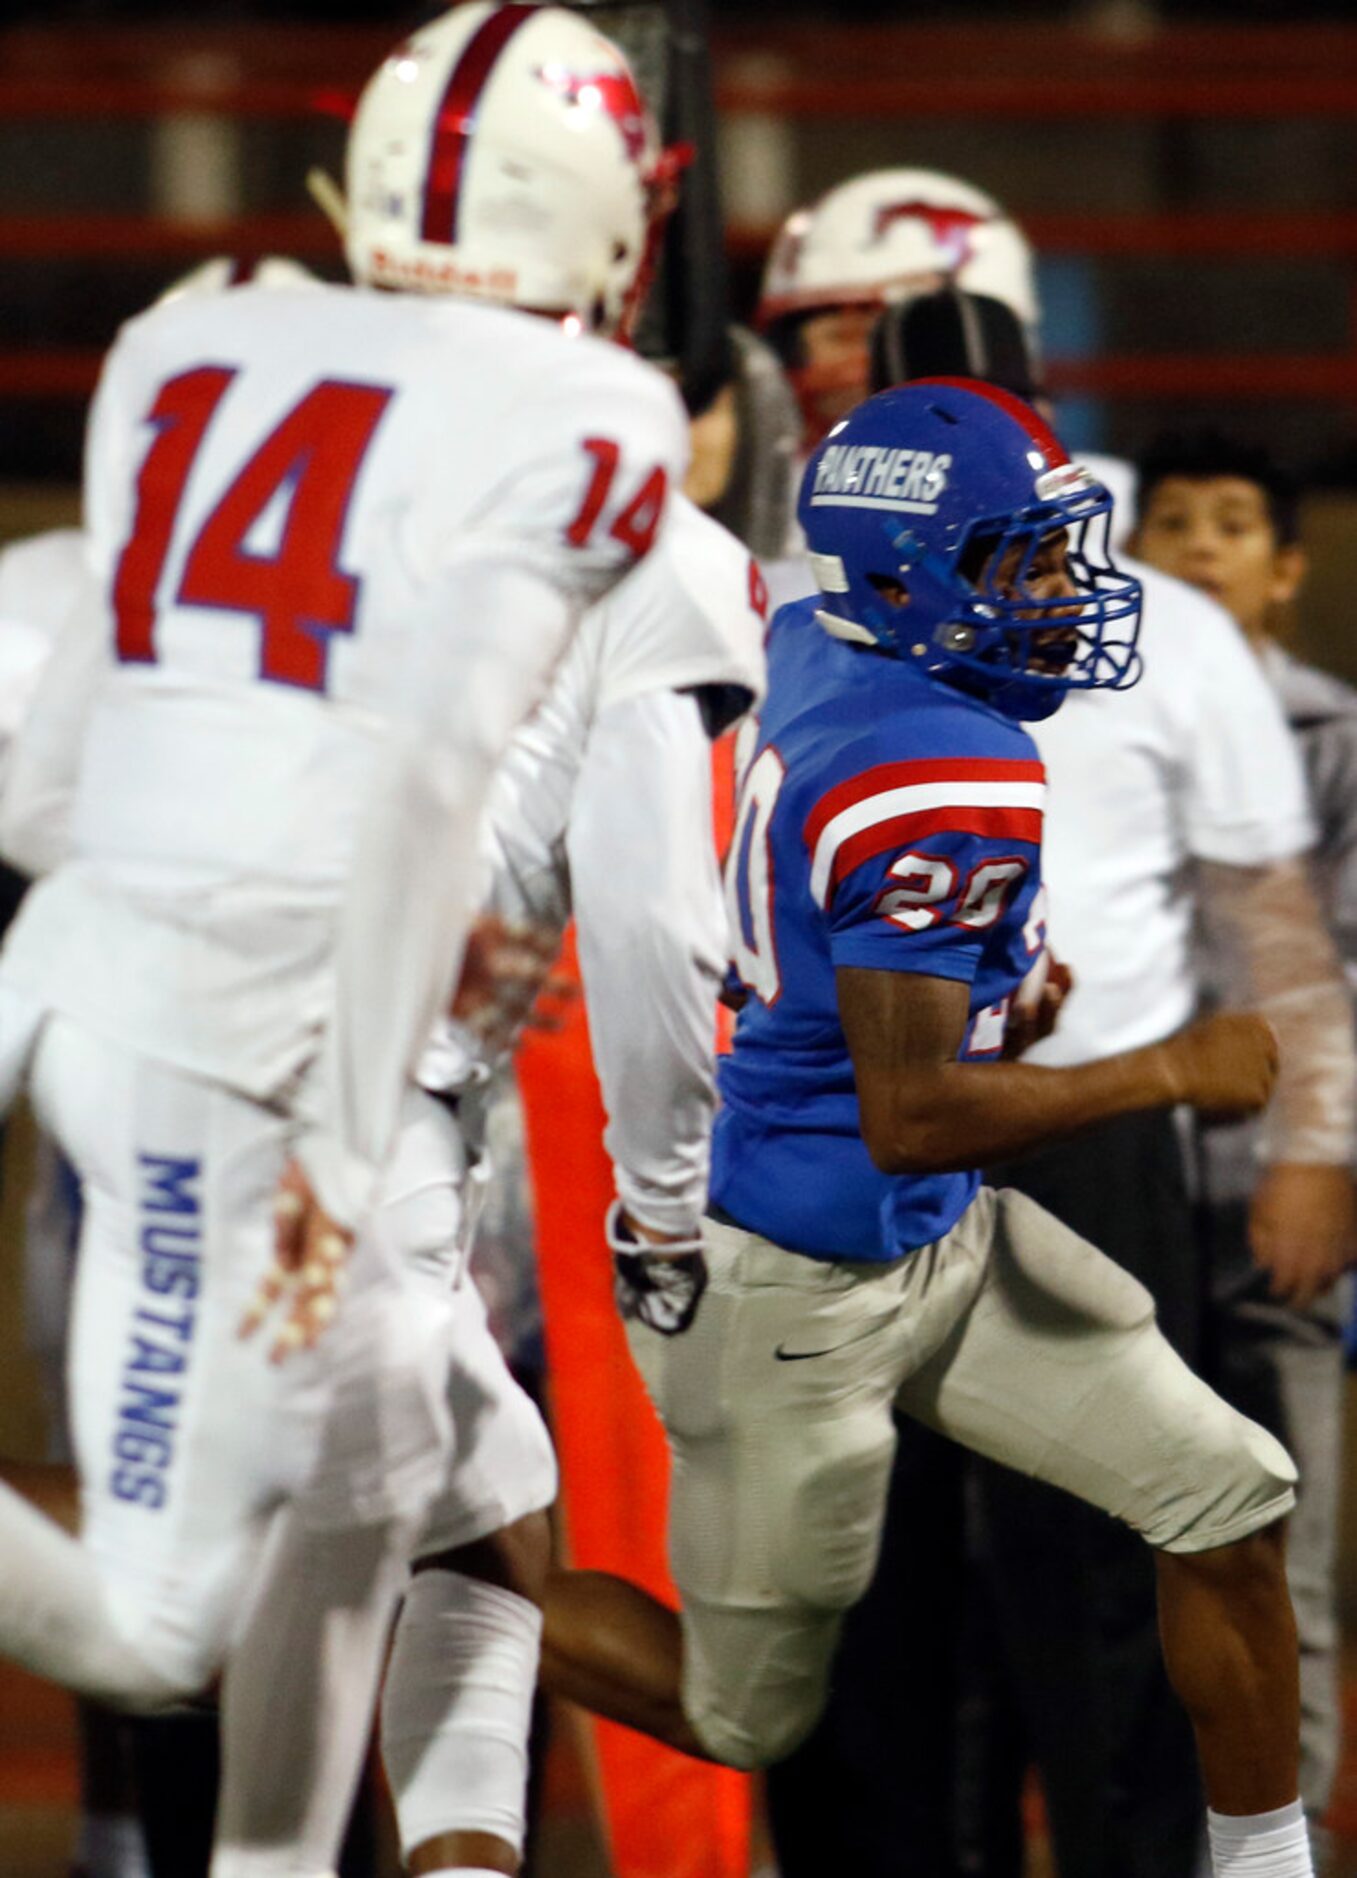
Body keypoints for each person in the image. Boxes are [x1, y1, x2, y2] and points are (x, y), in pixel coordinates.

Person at [0, 6, 691, 1874]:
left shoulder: (197, 324)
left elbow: (43, 788)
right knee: (158, 1628)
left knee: (465, 1482)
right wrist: (330, 1130)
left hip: (101, 980)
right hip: (264, 1067)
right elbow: (421, 786)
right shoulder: (594, 409)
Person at [540, 374, 1328, 1878]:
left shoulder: (816, 636)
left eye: (1050, 551)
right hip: (794, 1281)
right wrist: (1165, 1068)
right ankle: (442, 1584)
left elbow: (876, 1017)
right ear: (908, 572)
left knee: (1228, 1498)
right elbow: (907, 1113)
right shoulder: (941, 765)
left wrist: (986, 1015)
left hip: (937, 1241)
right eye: (1016, 561)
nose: (1057, 592)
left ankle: (1261, 1864)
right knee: (740, 1715)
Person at [751, 189, 1355, 1878]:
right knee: (872, 1582)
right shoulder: (788, 619)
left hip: (1074, 1143)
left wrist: (1313, 1144)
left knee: (1102, 1569)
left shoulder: (1133, 630)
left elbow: (1273, 916)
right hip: (869, 1124)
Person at [1132, 429, 1357, 1832]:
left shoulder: (1332, 733)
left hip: (1269, 1199)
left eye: (1230, 523)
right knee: (1118, 1558)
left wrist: (1314, 1155)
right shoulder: (1089, 714)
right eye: (1167, 521)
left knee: (1285, 1558)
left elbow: (1338, 958)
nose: (1197, 544)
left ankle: (1284, 1838)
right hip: (1112, 1193)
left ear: (1283, 572)